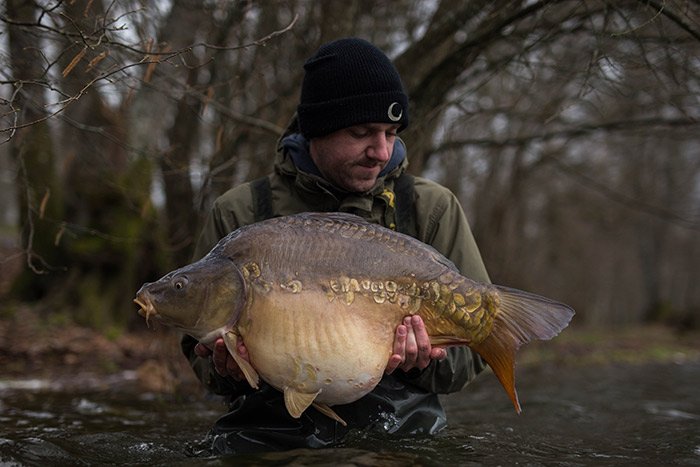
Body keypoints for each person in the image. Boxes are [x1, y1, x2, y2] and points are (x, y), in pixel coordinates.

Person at [181, 37, 490, 454]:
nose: (381, 151)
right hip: (273, 436)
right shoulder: (242, 211)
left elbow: (475, 355)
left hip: (397, 437)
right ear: (317, 129)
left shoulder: (431, 209)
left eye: (391, 133)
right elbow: (198, 349)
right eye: (361, 133)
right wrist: (227, 369)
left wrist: (423, 363)